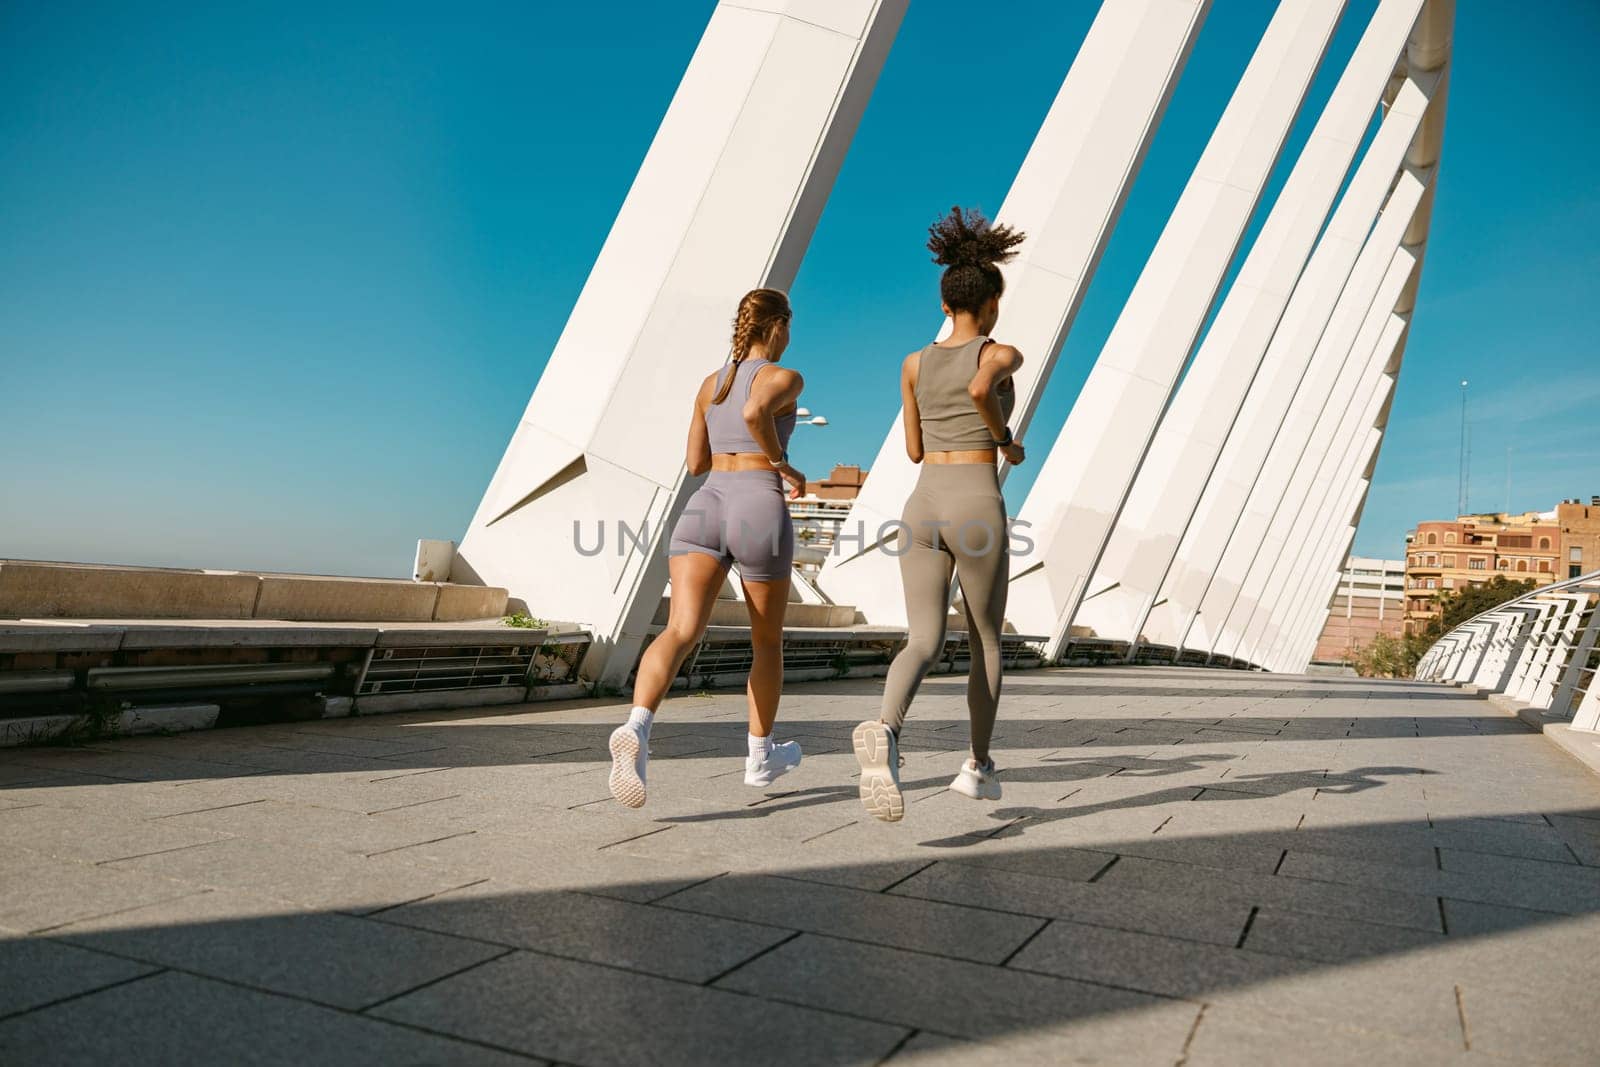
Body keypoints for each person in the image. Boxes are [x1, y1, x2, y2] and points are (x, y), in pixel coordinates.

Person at [853, 207, 1027, 823]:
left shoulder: (913, 363)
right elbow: (982, 389)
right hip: (975, 499)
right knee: (985, 638)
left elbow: (914, 448)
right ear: (989, 302)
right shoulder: (1002, 351)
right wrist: (1004, 439)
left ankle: (886, 731)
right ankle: (978, 766)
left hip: (921, 504)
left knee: (922, 639)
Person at [608, 288, 808, 808]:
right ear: (778, 326)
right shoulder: (785, 378)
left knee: (680, 629)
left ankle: (637, 725)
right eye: (789, 328)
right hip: (756, 503)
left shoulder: (709, 384)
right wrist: (781, 461)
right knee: (767, 642)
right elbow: (755, 413)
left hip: (706, 504)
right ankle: (760, 757)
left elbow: (695, 461)